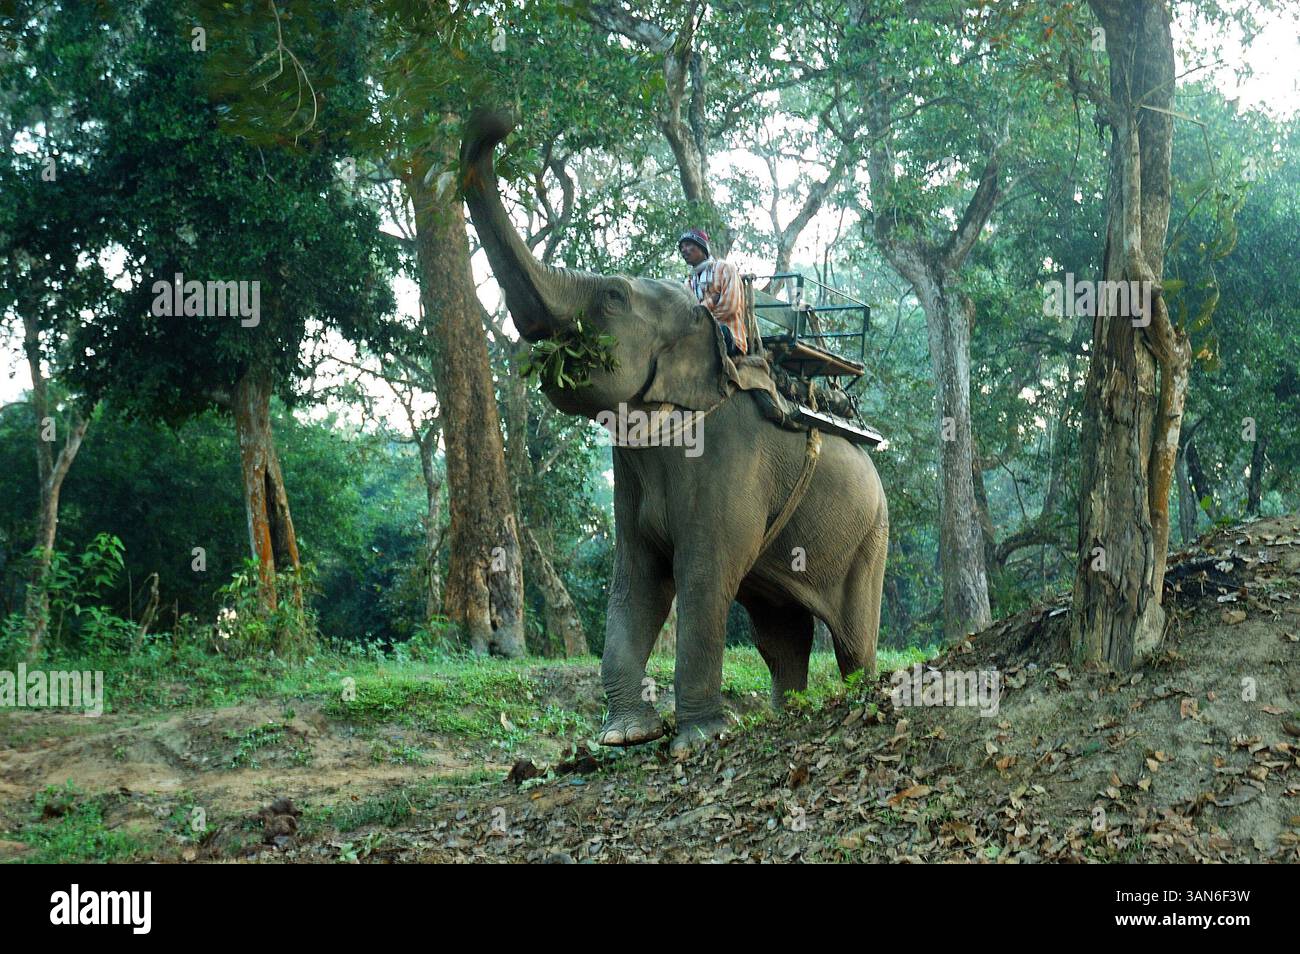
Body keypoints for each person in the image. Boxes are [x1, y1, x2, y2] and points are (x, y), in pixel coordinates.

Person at [679, 228, 747, 356]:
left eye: (688, 245)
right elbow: (688, 315)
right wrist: (711, 301)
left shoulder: (726, 269)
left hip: (730, 337)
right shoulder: (688, 282)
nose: (683, 250)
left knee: (720, 331)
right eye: (681, 247)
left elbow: (729, 308)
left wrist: (700, 315)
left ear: (702, 247)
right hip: (699, 334)